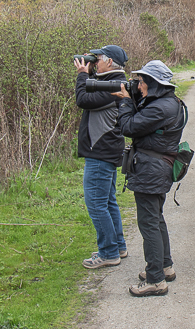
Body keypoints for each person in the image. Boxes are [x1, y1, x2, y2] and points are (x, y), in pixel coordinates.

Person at [115, 60, 186, 297]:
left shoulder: (160, 108)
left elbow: (128, 126)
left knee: (148, 223)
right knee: (156, 219)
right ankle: (165, 267)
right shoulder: (166, 103)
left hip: (151, 169)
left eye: (143, 82)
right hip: (156, 168)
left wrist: (125, 101)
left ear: (155, 84)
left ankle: (155, 279)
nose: (140, 85)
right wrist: (134, 98)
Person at [74, 45, 129, 269]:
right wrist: (89, 70)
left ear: (109, 62)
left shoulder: (113, 86)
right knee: (108, 201)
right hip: (107, 149)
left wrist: (81, 75)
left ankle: (108, 253)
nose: (94, 62)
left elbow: (83, 100)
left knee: (96, 204)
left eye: (98, 59)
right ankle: (118, 246)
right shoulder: (113, 81)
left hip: (100, 151)